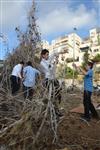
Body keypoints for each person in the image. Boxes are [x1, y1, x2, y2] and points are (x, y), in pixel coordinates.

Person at [40, 48, 66, 117]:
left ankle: (58, 99)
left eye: (48, 54)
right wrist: (54, 63)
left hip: (53, 78)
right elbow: (50, 70)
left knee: (59, 89)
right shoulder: (42, 63)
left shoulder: (48, 59)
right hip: (48, 80)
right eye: (46, 55)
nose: (48, 56)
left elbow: (54, 53)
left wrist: (60, 53)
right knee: (52, 96)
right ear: (43, 55)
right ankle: (55, 111)